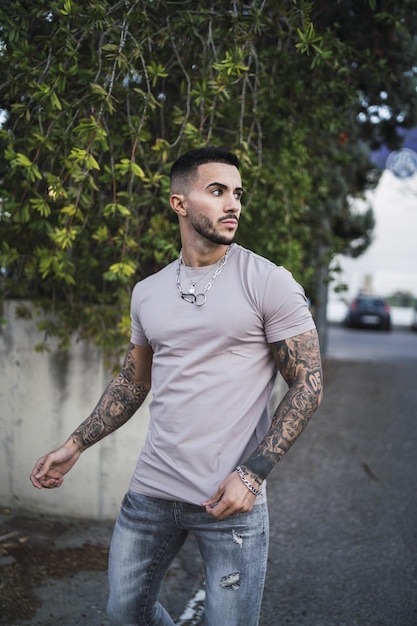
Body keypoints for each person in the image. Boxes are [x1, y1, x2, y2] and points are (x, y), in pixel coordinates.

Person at [30, 146, 323, 626]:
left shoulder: (270, 282)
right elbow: (132, 381)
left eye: (237, 193)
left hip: (230, 500)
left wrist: (252, 475)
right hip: (151, 493)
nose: (233, 204)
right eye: (217, 191)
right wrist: (75, 444)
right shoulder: (147, 291)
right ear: (179, 203)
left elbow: (308, 383)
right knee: (125, 611)